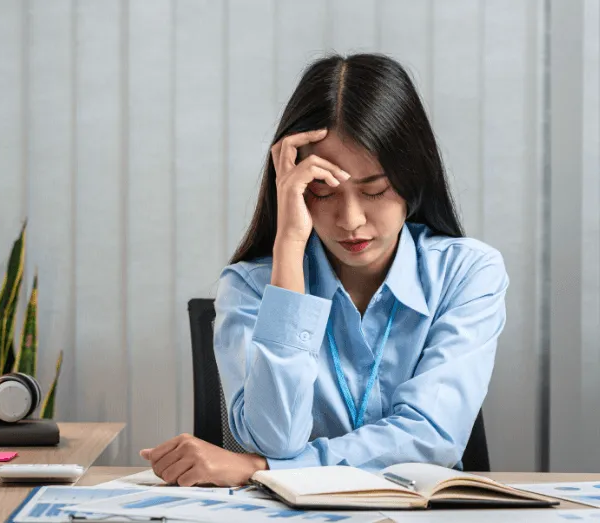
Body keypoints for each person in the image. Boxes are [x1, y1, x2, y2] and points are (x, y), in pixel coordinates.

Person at [139, 53, 509, 487]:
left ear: (413, 179)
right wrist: (289, 246)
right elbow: (274, 438)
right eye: (322, 191)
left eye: (375, 190)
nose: (351, 220)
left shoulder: (467, 272)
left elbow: (430, 439)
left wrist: (265, 470)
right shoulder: (249, 287)